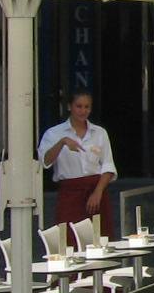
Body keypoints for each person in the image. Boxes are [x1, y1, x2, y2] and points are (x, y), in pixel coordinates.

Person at [39, 91, 118, 236]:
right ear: (70, 106)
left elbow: (108, 165)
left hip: (95, 191)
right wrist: (62, 142)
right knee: (69, 238)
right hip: (70, 193)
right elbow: (45, 161)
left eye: (87, 107)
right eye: (79, 106)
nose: (83, 111)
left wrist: (98, 192)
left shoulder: (99, 133)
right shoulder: (53, 133)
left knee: (100, 238)